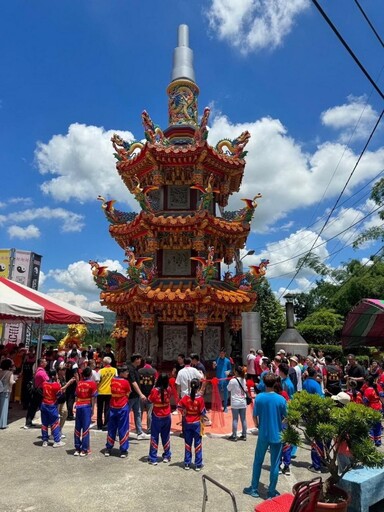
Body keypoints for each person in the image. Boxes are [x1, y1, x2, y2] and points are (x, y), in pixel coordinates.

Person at [243, 372, 287, 499]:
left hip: (263, 434)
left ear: (264, 383)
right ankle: (271, 491)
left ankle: (254, 488)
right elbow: (287, 417)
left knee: (258, 461)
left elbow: (254, 416)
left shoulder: (259, 397)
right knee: (275, 463)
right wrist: (280, 424)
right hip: (277, 434)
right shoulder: (281, 399)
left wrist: (258, 426)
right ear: (275, 384)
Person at [178, 378, 209, 471]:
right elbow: (203, 412)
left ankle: (187, 463)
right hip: (196, 423)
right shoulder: (200, 399)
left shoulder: (186, 397)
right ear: (198, 387)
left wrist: (184, 412)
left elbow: (179, 406)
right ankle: (198, 464)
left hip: (187, 422)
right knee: (198, 443)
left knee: (187, 443)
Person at [41, 369, 74, 448]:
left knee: (44, 424)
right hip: (51, 405)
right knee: (55, 423)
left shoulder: (44, 383)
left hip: (44, 404)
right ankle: (57, 441)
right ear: (54, 376)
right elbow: (59, 396)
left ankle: (45, 441)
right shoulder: (56, 385)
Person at [105, 365, 131, 458]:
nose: (127, 373)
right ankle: (123, 450)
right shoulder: (125, 382)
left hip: (112, 406)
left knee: (111, 428)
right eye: (126, 372)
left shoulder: (113, 380)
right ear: (121, 373)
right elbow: (128, 392)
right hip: (122, 406)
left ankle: (108, 448)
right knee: (123, 428)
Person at [147, 373, 172, 465]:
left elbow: (150, 399)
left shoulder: (155, 390)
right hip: (167, 415)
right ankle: (166, 456)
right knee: (166, 436)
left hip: (157, 415)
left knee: (154, 436)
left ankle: (153, 458)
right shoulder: (169, 389)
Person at [74, 366, 98, 456]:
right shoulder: (92, 384)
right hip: (86, 407)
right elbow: (93, 397)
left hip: (79, 406)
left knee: (77, 427)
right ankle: (84, 449)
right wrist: (92, 408)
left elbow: (76, 396)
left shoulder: (79, 383)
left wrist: (76, 405)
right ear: (91, 374)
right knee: (85, 428)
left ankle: (77, 448)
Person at [128, 353, 149, 440]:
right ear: (135, 359)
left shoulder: (136, 369)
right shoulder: (130, 369)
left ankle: (139, 432)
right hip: (131, 395)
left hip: (136, 395)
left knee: (138, 413)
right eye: (139, 359)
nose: (140, 360)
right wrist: (141, 394)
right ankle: (121, 431)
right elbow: (133, 382)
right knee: (127, 413)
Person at [24, 357, 49, 429]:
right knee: (42, 407)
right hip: (40, 391)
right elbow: (48, 380)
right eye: (45, 361)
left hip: (37, 391)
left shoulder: (38, 370)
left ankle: (28, 422)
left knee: (33, 407)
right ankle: (45, 422)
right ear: (41, 363)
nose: (46, 362)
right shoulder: (41, 372)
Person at [227, 365, 247, 441]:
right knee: (243, 419)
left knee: (235, 419)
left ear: (236, 372)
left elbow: (228, 388)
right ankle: (244, 434)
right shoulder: (243, 379)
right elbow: (245, 389)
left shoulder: (233, 380)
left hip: (235, 402)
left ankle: (234, 435)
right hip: (243, 401)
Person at [97, 356, 117, 431]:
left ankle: (99, 425)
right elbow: (116, 378)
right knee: (107, 409)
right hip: (110, 391)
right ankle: (106, 424)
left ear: (104, 362)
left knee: (99, 409)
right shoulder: (114, 370)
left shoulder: (100, 371)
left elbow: (97, 381)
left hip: (101, 391)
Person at [363, 375, 384, 447]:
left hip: (371, 408)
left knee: (370, 425)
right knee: (378, 424)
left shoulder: (368, 390)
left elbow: (365, 401)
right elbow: (382, 396)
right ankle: (378, 441)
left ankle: (371, 441)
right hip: (379, 407)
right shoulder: (378, 386)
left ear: (368, 382)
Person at [139, 356, 157, 434]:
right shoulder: (154, 371)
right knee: (150, 413)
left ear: (145, 361)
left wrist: (140, 393)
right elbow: (155, 383)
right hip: (150, 395)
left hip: (141, 394)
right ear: (152, 362)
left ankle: (139, 429)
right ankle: (149, 429)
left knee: (140, 412)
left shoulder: (139, 371)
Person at [0, 358, 17, 429]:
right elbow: (11, 382)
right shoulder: (10, 373)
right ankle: (3, 424)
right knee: (4, 408)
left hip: (0, 390)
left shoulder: (0, 372)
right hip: (6, 391)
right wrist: (15, 380)